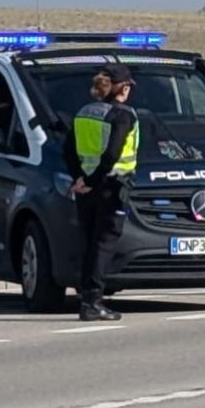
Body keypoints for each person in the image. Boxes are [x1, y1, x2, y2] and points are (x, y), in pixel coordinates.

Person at [64, 62, 140, 321]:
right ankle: (93, 301)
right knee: (104, 244)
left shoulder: (84, 112)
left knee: (90, 243)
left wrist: (80, 179)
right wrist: (95, 180)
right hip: (111, 185)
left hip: (85, 188)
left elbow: (68, 150)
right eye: (128, 86)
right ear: (123, 88)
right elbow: (111, 155)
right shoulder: (123, 115)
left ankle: (87, 298)